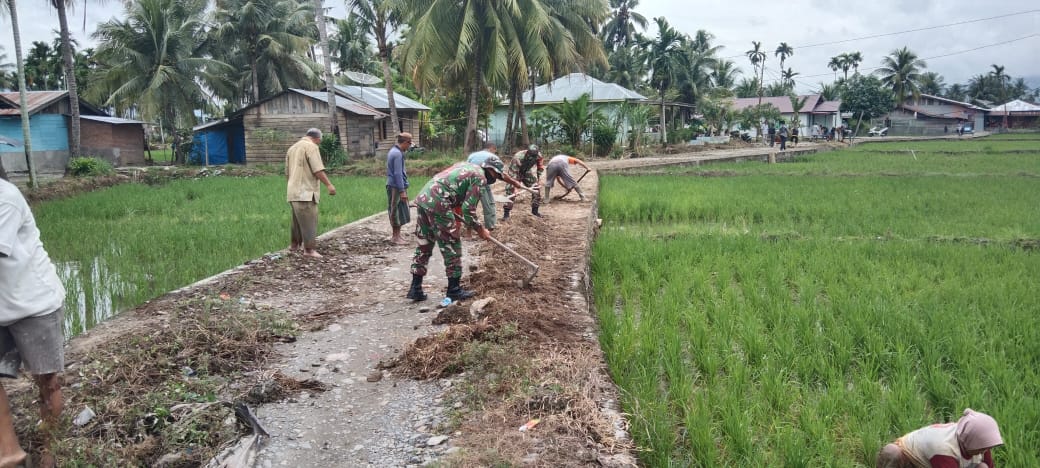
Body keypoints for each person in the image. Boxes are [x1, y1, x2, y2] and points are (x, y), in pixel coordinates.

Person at [0, 178, 66, 468]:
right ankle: (10, 452)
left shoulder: (5, 197)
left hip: (33, 305)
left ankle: (48, 453)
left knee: (46, 381)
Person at [406, 156, 507, 302]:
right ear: (490, 169)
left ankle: (415, 288)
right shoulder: (480, 178)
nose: (495, 178)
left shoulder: (466, 165)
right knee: (451, 245)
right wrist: (480, 229)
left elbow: (451, 187)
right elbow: (468, 209)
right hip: (439, 202)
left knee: (424, 243)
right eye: (496, 175)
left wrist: (449, 202)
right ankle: (454, 290)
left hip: (424, 199)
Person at [877, 408, 1002, 468]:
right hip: (912, 461)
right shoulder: (944, 450)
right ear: (970, 441)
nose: (986, 450)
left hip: (938, 463)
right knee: (892, 452)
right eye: (984, 447)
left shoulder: (978, 444)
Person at [286, 128, 336, 258]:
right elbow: (318, 170)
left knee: (296, 221)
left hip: (293, 191)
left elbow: (287, 172)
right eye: (320, 140)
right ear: (317, 138)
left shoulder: (292, 148)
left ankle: (294, 246)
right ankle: (309, 250)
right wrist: (329, 185)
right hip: (305, 192)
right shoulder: (311, 147)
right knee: (309, 221)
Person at [503, 144, 544, 220]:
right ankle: (506, 214)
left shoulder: (538, 155)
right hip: (515, 172)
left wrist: (540, 179)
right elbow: (513, 174)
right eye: (531, 155)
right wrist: (515, 187)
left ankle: (535, 211)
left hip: (527, 171)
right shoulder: (518, 157)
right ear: (527, 153)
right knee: (511, 190)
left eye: (534, 156)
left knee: (536, 187)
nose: (532, 157)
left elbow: (540, 168)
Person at [466, 142, 501, 231]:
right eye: (494, 151)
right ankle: (489, 228)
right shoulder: (493, 157)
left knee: (470, 206)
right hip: (482, 182)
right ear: (492, 148)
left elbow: (466, 168)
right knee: (488, 205)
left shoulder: (472, 155)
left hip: (469, 182)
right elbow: (499, 174)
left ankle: (468, 229)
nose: (494, 153)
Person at [386, 132, 413, 245]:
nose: (409, 147)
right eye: (409, 144)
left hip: (396, 185)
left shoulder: (395, 151)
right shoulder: (397, 154)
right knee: (395, 210)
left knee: (399, 209)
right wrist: (402, 191)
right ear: (406, 142)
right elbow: (397, 174)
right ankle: (395, 237)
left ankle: (397, 236)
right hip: (395, 187)